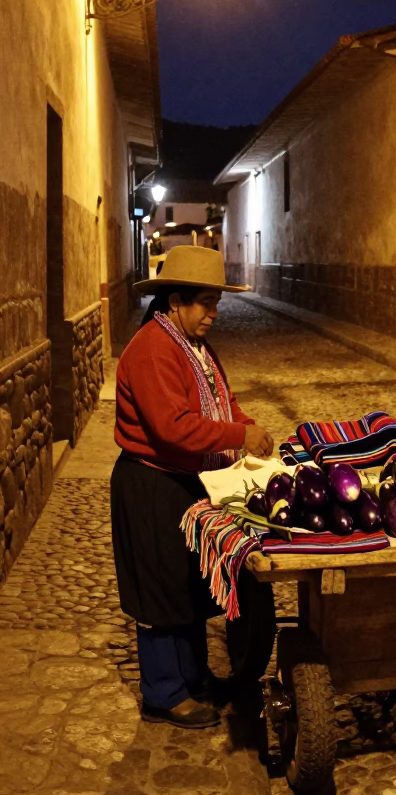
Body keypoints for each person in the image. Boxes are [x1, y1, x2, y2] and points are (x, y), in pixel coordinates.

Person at [111, 245, 274, 728]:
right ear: (174, 302)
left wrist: (247, 428)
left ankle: (194, 676)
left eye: (216, 302)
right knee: (160, 589)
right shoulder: (152, 350)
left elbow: (221, 405)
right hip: (152, 483)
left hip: (187, 481)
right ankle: (163, 693)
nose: (214, 314)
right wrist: (236, 436)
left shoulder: (194, 348)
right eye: (205, 302)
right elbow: (174, 427)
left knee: (189, 584)